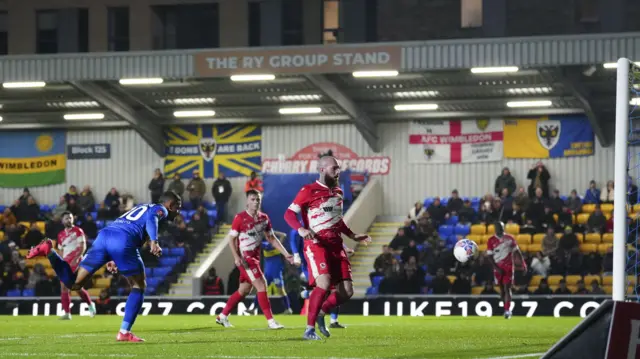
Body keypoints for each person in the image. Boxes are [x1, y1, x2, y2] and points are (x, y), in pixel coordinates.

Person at [27, 190, 182, 342]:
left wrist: (113, 256)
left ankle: (50, 251)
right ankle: (124, 332)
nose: (179, 211)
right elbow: (152, 219)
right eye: (177, 206)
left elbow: (132, 228)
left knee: (74, 283)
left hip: (105, 236)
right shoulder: (160, 209)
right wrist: (154, 242)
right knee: (138, 286)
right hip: (123, 240)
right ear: (170, 204)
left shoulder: (142, 207)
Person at [284, 156, 371, 340]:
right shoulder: (308, 190)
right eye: (334, 168)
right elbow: (289, 213)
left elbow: (338, 221)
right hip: (317, 244)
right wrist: (300, 228)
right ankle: (309, 329)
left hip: (336, 245)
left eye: (339, 168)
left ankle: (322, 311)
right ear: (322, 169)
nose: (338, 172)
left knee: (347, 291)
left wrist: (353, 236)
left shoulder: (338, 191)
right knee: (323, 283)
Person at [216, 189, 294, 329]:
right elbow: (231, 239)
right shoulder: (240, 218)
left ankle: (222, 316)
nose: (256, 202)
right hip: (246, 259)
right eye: (253, 199)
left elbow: (271, 238)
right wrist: (236, 257)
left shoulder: (264, 218)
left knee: (244, 290)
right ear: (247, 201)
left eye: (258, 199)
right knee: (262, 284)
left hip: (256, 258)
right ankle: (271, 322)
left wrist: (286, 254)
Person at [56, 211, 96, 320]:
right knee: (64, 287)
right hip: (65, 264)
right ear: (62, 221)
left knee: (76, 287)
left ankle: (90, 305)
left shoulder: (78, 231)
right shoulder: (60, 235)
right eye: (66, 218)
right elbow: (60, 250)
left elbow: (82, 246)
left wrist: (76, 258)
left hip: (76, 262)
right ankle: (67, 313)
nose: (68, 220)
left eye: (70, 218)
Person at [486, 221, 526, 319]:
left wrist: (523, 264)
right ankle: (505, 308)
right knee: (501, 290)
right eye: (498, 227)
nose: (500, 228)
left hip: (508, 267)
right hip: (497, 268)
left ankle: (508, 311)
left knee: (507, 288)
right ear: (495, 228)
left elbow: (517, 252)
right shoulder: (491, 240)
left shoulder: (510, 238)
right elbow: (490, 257)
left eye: (502, 227)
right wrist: (496, 268)